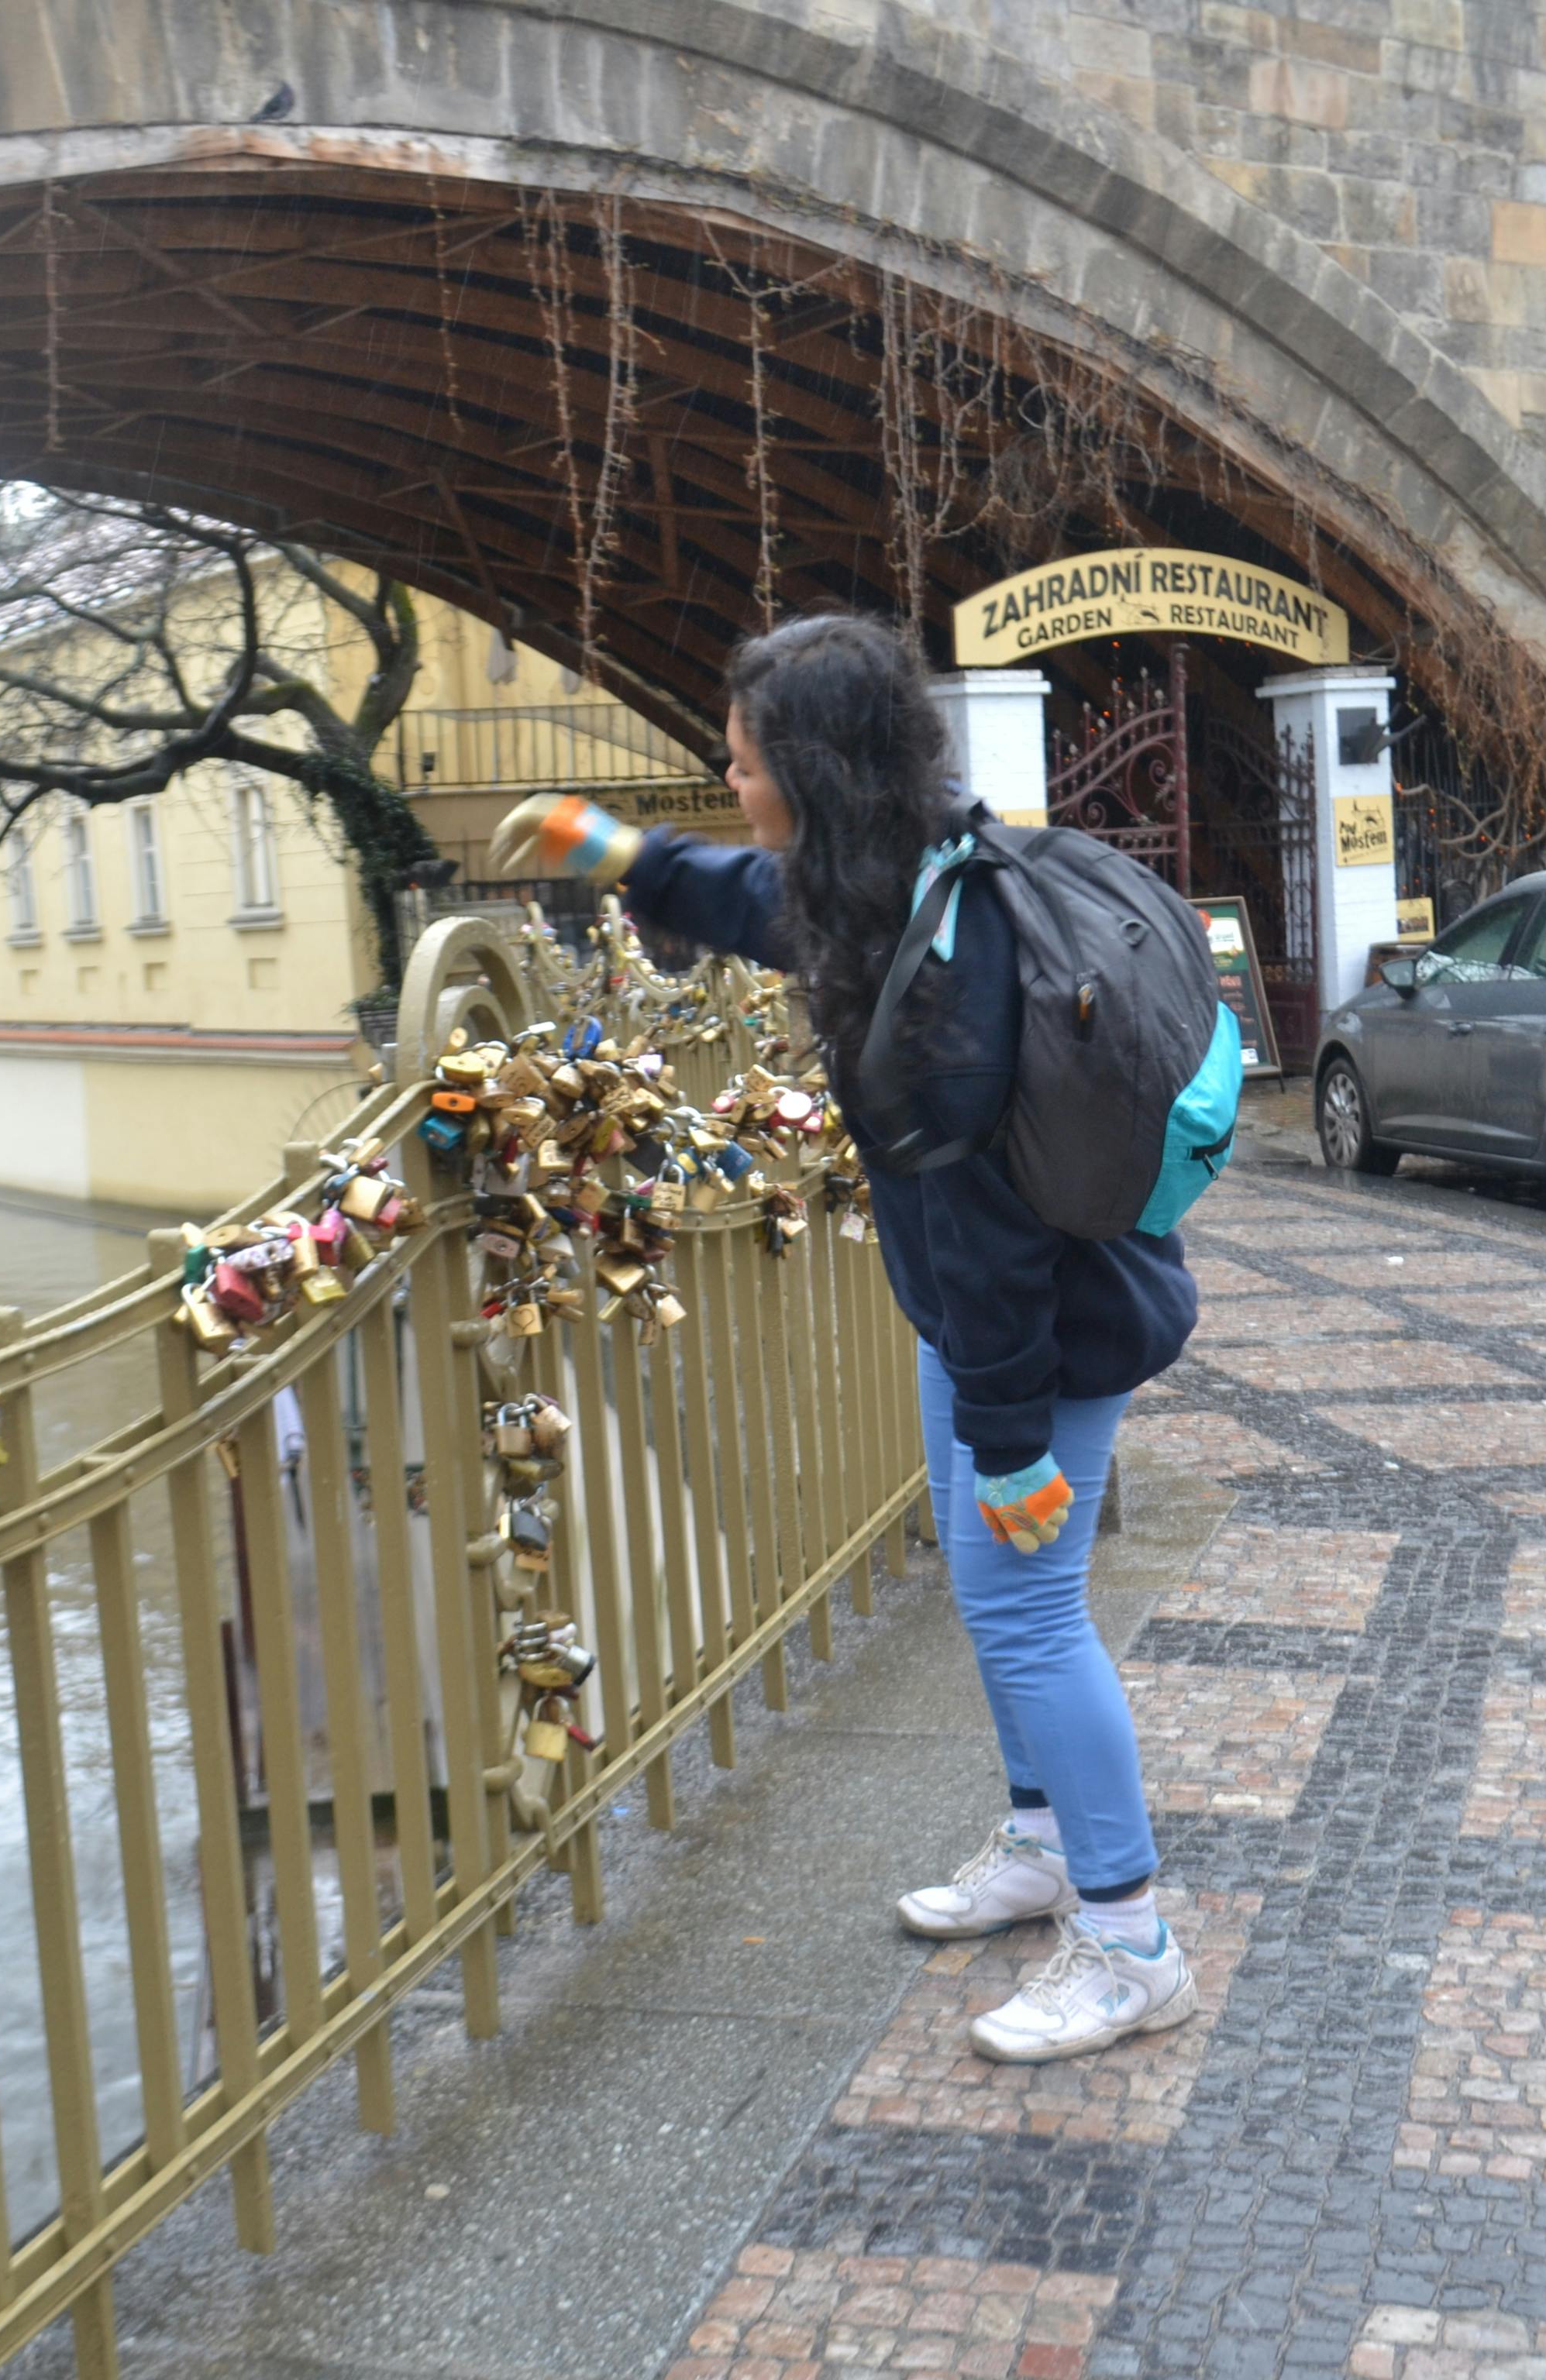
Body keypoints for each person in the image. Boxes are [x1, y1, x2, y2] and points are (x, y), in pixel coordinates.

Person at [488, 614, 1201, 2063]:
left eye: (742, 762)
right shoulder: (899, 880)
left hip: (1046, 1333)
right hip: (991, 1325)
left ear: (810, 773)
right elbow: (768, 901)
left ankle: (1133, 1942)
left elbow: (993, 1238)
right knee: (998, 1604)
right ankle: (1043, 1843)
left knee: (1029, 1615)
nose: (730, 781)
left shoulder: (944, 969)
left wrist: (1011, 1442)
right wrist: (624, 855)